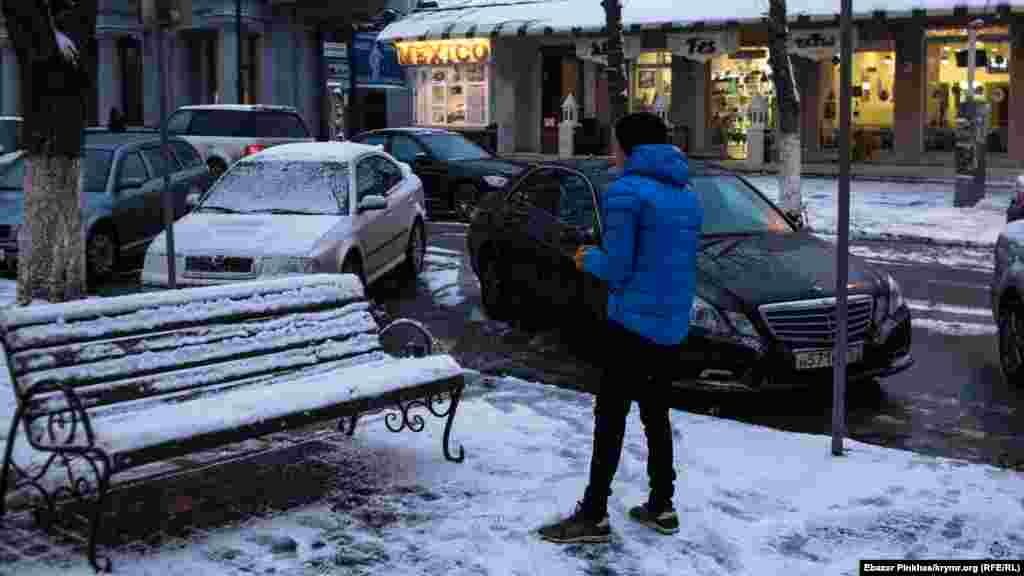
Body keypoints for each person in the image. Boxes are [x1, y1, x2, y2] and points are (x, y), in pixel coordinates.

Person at [538, 112, 703, 544]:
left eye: (615, 143)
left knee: (610, 418)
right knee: (656, 415)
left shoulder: (625, 192)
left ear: (629, 147)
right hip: (670, 325)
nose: (611, 151)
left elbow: (617, 267)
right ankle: (662, 504)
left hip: (630, 325)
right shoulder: (686, 193)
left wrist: (583, 257)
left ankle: (593, 514)